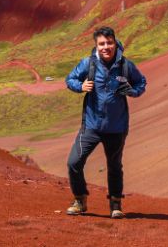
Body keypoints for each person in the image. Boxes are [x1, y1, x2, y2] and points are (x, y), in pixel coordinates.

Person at [64, 26, 147, 219]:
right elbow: (70, 79)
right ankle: (80, 200)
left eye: (109, 43)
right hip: (91, 126)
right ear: (96, 45)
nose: (106, 47)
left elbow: (141, 83)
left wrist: (132, 91)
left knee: (114, 166)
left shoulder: (125, 66)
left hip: (117, 127)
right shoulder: (88, 64)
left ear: (115, 43)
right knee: (74, 162)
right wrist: (80, 86)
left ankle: (116, 205)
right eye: (101, 44)